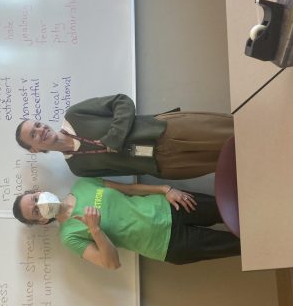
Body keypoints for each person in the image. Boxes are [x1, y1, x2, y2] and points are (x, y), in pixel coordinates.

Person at [12, 178, 240, 269]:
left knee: (237, 208)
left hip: (171, 206)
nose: (39, 204)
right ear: (41, 221)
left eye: (34, 199)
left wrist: (166, 189)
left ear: (39, 192)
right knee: (239, 244)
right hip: (168, 245)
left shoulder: (82, 184)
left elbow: (129, 188)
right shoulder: (69, 236)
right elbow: (111, 263)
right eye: (35, 211)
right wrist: (95, 229)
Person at [15, 94, 233, 179]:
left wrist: (115, 137)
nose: (40, 130)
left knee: (234, 133)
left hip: (165, 130)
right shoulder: (77, 168)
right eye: (33, 134)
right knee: (232, 162)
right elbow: (123, 170)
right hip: (167, 165)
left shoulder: (75, 115)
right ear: (34, 149)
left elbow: (122, 102)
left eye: (37, 124)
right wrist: (156, 170)